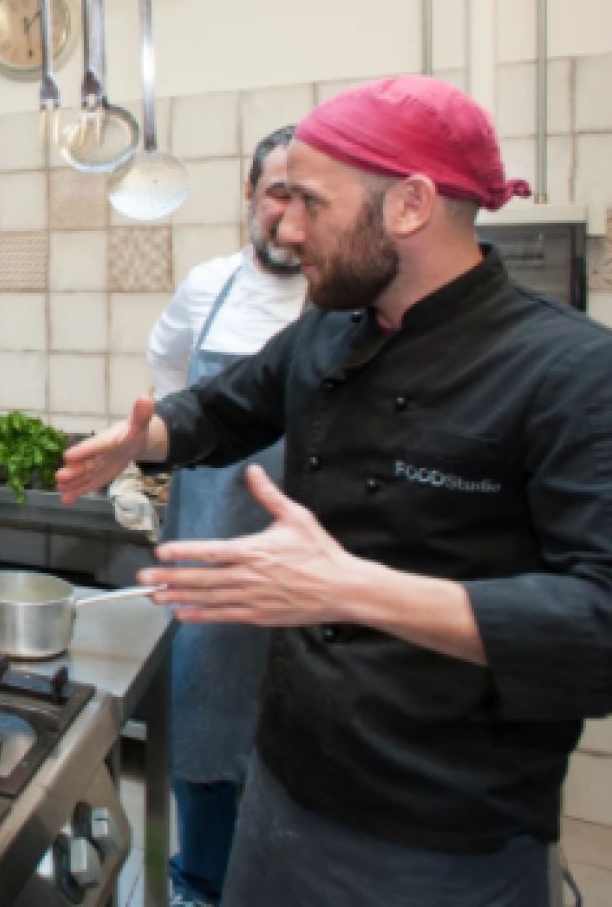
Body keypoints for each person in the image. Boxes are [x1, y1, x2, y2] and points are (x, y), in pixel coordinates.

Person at [58, 76, 612, 906]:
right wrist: (150, 436)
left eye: (309, 202)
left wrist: (355, 589)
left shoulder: (570, 372)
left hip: (439, 831)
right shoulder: (328, 327)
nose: (281, 225)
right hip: (286, 782)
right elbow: (228, 401)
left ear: (411, 205)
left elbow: (600, 625)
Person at [144, 126, 305, 907]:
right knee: (204, 725)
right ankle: (199, 886)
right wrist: (162, 458)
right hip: (212, 548)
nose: (289, 214)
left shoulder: (345, 300)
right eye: (278, 191)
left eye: (309, 196)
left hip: (315, 565)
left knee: (298, 741)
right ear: (249, 197)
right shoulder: (208, 286)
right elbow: (171, 369)